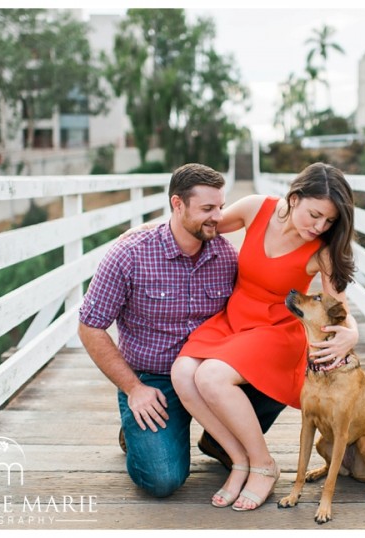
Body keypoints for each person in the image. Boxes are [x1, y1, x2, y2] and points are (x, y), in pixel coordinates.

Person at [77, 163, 285, 498]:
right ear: (178, 204)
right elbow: (90, 327)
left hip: (211, 374)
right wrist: (134, 388)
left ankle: (218, 441)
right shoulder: (129, 254)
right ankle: (136, 431)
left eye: (220, 207)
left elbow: (258, 301)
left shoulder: (226, 256)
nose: (218, 217)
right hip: (154, 380)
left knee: (281, 371)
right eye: (207, 209)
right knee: (162, 479)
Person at [172, 162, 359, 511]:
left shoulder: (321, 250)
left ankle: (263, 465)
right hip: (235, 317)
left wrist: (353, 334)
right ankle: (239, 459)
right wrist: (140, 233)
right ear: (295, 197)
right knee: (183, 373)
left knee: (211, 376)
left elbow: (340, 308)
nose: (319, 227)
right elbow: (200, 224)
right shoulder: (257, 207)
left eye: (330, 221)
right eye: (315, 214)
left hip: (278, 330)